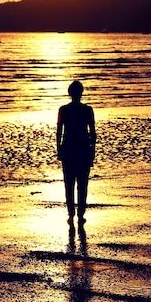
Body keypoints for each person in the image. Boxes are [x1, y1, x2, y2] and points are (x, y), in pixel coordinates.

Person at [57, 81, 96, 227]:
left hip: (68, 148)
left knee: (69, 184)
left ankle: (71, 214)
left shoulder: (63, 110)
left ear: (69, 93)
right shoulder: (87, 110)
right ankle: (80, 214)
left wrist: (58, 149)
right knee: (82, 184)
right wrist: (93, 151)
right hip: (83, 149)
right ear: (81, 92)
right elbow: (93, 133)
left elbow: (59, 132)